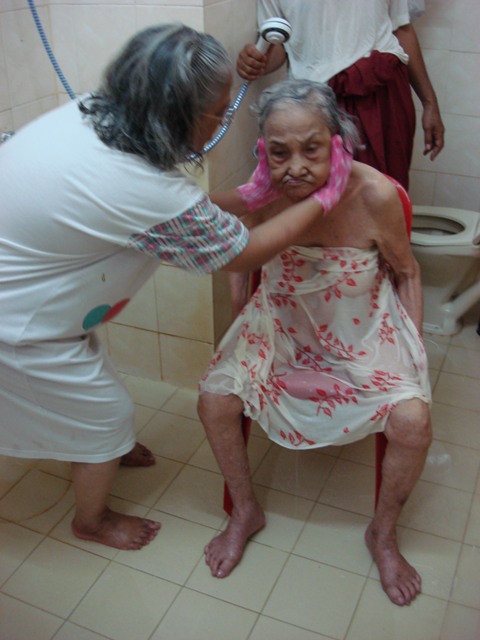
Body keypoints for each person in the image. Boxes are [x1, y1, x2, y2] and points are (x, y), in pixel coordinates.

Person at [0, 25, 353, 552]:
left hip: (36, 291)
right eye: (217, 113)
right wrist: (324, 199)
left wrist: (255, 193)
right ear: (177, 115)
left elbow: (194, 218)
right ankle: (92, 517)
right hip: (15, 319)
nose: (222, 122)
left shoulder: (96, 112)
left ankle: (101, 446)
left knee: (84, 382)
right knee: (106, 412)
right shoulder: (138, 185)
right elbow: (243, 252)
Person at [198, 79, 433, 607]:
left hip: (361, 326)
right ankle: (244, 511)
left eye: (312, 149)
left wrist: (413, 349)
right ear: (264, 151)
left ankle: (383, 533)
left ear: (337, 142)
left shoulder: (375, 195)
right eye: (280, 153)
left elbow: (407, 270)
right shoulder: (261, 192)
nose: (296, 167)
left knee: (413, 422)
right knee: (214, 399)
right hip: (280, 322)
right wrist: (241, 318)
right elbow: (239, 255)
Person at [236, 0, 445, 190]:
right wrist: (257, 63)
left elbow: (401, 28)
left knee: (385, 193)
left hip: (380, 93)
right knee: (318, 198)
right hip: (315, 104)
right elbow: (279, 45)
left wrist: (429, 103)